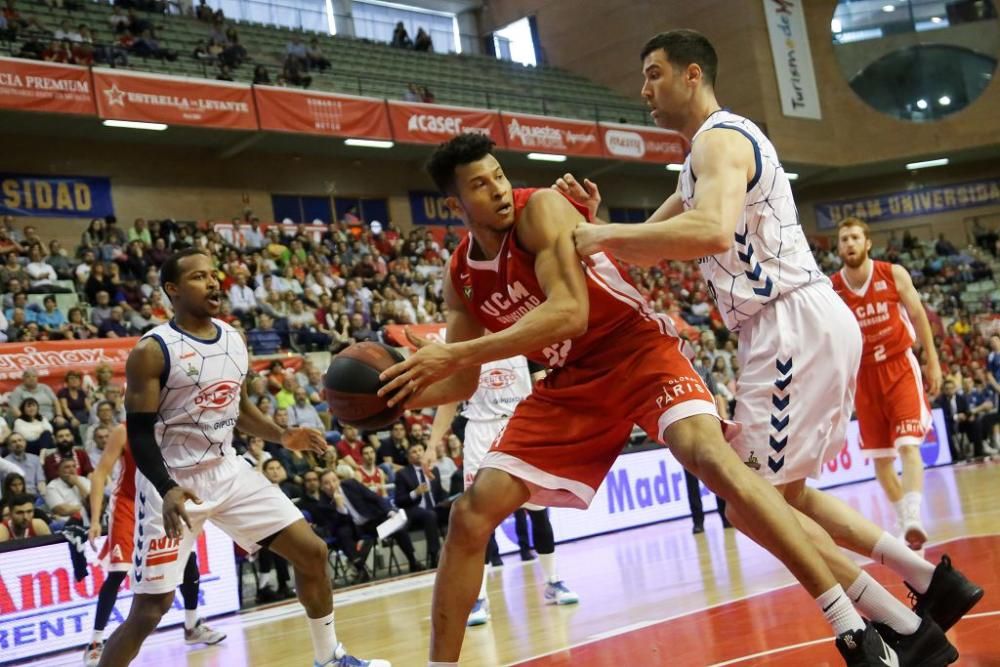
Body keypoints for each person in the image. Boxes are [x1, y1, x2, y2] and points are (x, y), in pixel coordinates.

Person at [556, 30, 979, 665]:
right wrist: (604, 224)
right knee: (787, 498)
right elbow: (648, 241)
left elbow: (710, 229)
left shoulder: (719, 141)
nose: (643, 89)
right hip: (799, 323)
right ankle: (930, 582)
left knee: (751, 507)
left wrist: (598, 235)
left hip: (787, 325)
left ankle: (900, 627)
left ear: (692, 75)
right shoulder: (701, 158)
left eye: (653, 74)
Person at [379, 133, 866, 667]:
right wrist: (399, 390)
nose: (498, 189)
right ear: (455, 205)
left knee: (709, 458)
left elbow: (570, 314)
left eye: (498, 174)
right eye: (480, 184)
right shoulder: (462, 276)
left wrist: (454, 352)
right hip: (574, 380)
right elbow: (461, 380)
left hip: (635, 348)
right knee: (470, 516)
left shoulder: (540, 209)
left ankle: (850, 623)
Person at [96, 248, 387, 667]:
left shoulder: (234, 337)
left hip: (227, 470)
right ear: (172, 291)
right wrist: (167, 488)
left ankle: (330, 658)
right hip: (171, 482)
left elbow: (241, 410)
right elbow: (139, 435)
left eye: (214, 275)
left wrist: (283, 434)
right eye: (199, 277)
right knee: (150, 609)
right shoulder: (153, 351)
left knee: (312, 553)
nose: (213, 283)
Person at [427, 355, 579, 628]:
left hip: (520, 424)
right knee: (477, 520)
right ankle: (478, 598)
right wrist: (431, 445)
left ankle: (553, 581)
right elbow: (449, 398)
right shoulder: (467, 344)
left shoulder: (524, 341)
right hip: (480, 430)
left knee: (538, 510)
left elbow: (543, 385)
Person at [831, 217, 942, 549]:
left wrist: (932, 361)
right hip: (863, 376)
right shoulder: (832, 288)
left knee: (908, 446)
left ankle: (913, 517)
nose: (848, 244)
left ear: (867, 243)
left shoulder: (892, 273)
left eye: (854, 237)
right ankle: (907, 523)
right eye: (843, 240)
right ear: (839, 249)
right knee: (881, 463)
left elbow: (919, 315)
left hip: (899, 366)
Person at [84, 424, 224, 666]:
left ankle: (192, 626)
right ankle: (95, 642)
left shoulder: (172, 424)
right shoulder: (123, 430)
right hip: (128, 503)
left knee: (188, 560)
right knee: (118, 572)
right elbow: (99, 474)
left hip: (160, 499)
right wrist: (95, 520)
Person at [391, 442, 443, 568]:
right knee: (429, 515)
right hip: (414, 510)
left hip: (435, 508)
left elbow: (440, 493)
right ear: (409, 457)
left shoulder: (433, 469)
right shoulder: (402, 474)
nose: (418, 453)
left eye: (420, 450)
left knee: (457, 512)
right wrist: (415, 493)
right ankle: (434, 556)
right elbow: (399, 500)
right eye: (414, 451)